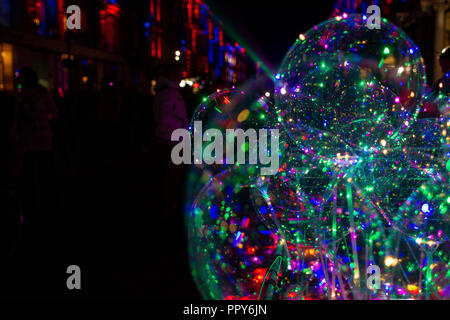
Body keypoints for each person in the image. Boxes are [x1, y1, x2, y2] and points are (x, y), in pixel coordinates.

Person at [16, 67, 58, 215]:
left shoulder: (42, 93)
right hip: (29, 139)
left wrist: (37, 114)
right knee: (29, 171)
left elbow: (54, 113)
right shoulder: (22, 93)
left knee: (44, 169)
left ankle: (47, 198)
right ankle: (32, 199)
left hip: (41, 137)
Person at [153, 64, 188, 220]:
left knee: (170, 174)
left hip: (169, 139)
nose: (181, 76)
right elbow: (165, 117)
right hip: (171, 140)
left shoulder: (167, 92)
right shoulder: (169, 94)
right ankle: (168, 208)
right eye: (179, 73)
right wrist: (181, 125)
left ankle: (168, 205)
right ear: (172, 75)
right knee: (171, 175)